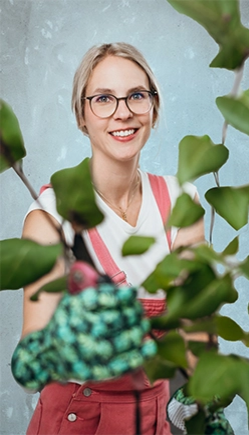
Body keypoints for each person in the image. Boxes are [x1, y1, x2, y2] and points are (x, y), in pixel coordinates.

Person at [18, 42, 205, 435]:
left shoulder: (181, 202)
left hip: (154, 419)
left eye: (137, 95)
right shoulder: (50, 217)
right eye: (104, 98)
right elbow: (32, 365)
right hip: (75, 419)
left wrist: (206, 399)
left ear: (153, 106)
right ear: (82, 115)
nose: (124, 111)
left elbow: (196, 336)